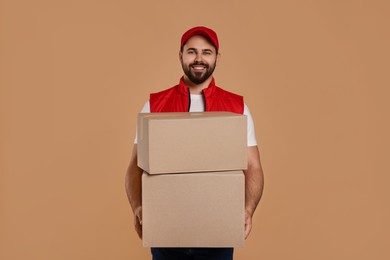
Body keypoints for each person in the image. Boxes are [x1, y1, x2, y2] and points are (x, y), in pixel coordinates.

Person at [125, 26, 264, 260]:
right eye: (192, 51)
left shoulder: (237, 108)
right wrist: (138, 207)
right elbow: (134, 166)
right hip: (166, 234)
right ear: (180, 55)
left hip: (218, 233)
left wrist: (248, 210)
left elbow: (254, 167)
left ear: (217, 58)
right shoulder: (154, 105)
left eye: (206, 52)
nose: (199, 58)